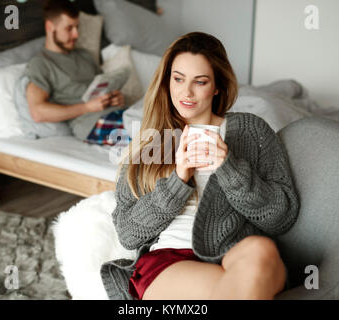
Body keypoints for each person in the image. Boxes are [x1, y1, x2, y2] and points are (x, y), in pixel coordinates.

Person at [100, 32, 300, 300]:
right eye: (178, 79)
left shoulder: (250, 131)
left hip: (235, 252)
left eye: (200, 82)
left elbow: (281, 216)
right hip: (170, 259)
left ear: (217, 86)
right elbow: (127, 233)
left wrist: (229, 168)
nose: (187, 92)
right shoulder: (152, 143)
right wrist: (178, 179)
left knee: (261, 251)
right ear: (167, 81)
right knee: (235, 289)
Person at [25, 0, 126, 144]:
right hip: (93, 123)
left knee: (163, 121)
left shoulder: (84, 56)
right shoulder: (41, 64)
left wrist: (115, 98)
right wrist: (86, 107)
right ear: (50, 27)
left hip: (118, 113)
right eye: (69, 28)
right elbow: (37, 113)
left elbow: (103, 86)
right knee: (154, 137)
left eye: (77, 27)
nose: (76, 34)